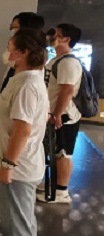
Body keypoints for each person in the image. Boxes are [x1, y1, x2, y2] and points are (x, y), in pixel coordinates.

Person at [0, 12, 45, 236]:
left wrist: (8, 165)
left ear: (24, 51)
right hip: (15, 166)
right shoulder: (21, 78)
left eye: (11, 45)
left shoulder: (28, 83)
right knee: (14, 227)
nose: (7, 50)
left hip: (18, 169)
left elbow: (23, 130)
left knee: (18, 231)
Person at [36, 23, 83, 204]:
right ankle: (54, 184)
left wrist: (57, 114)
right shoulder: (57, 60)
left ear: (66, 39)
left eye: (55, 33)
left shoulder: (68, 62)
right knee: (54, 151)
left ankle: (62, 191)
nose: (51, 36)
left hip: (64, 117)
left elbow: (67, 90)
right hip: (54, 114)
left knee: (63, 153)